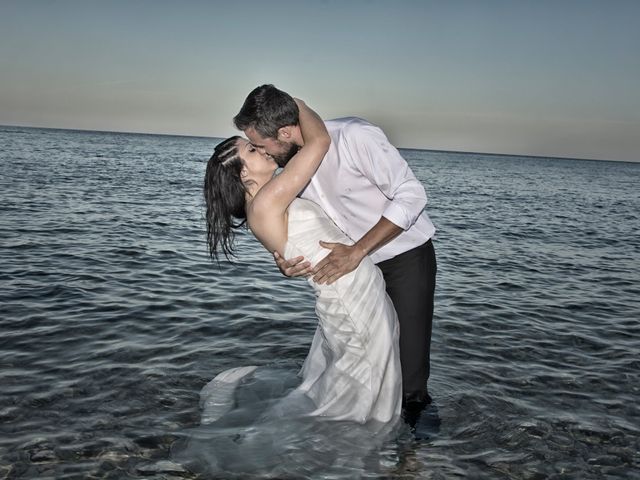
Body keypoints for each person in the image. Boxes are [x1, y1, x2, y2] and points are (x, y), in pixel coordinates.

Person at [233, 84, 437, 414]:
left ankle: (412, 461)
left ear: (285, 131)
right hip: (352, 274)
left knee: (409, 377)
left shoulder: (355, 136)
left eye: (261, 145)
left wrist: (357, 250)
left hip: (404, 258)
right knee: (362, 367)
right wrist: (282, 259)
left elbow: (412, 196)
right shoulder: (290, 166)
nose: (264, 153)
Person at [203, 99, 402, 425]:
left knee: (363, 369)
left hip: (347, 289)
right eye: (252, 150)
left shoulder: (265, 203)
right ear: (243, 173)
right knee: (366, 371)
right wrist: (294, 103)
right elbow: (320, 142)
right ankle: (350, 444)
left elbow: (295, 250)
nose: (261, 149)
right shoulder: (268, 200)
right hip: (348, 294)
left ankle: (356, 437)